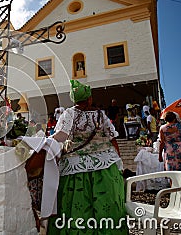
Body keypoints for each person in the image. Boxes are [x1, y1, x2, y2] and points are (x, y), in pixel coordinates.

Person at [47, 80, 127, 234]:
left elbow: (61, 136)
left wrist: (46, 141)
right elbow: (112, 139)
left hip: (74, 166)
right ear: (89, 98)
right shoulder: (100, 115)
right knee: (106, 204)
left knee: (77, 205)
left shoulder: (68, 114)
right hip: (104, 165)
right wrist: (119, 161)